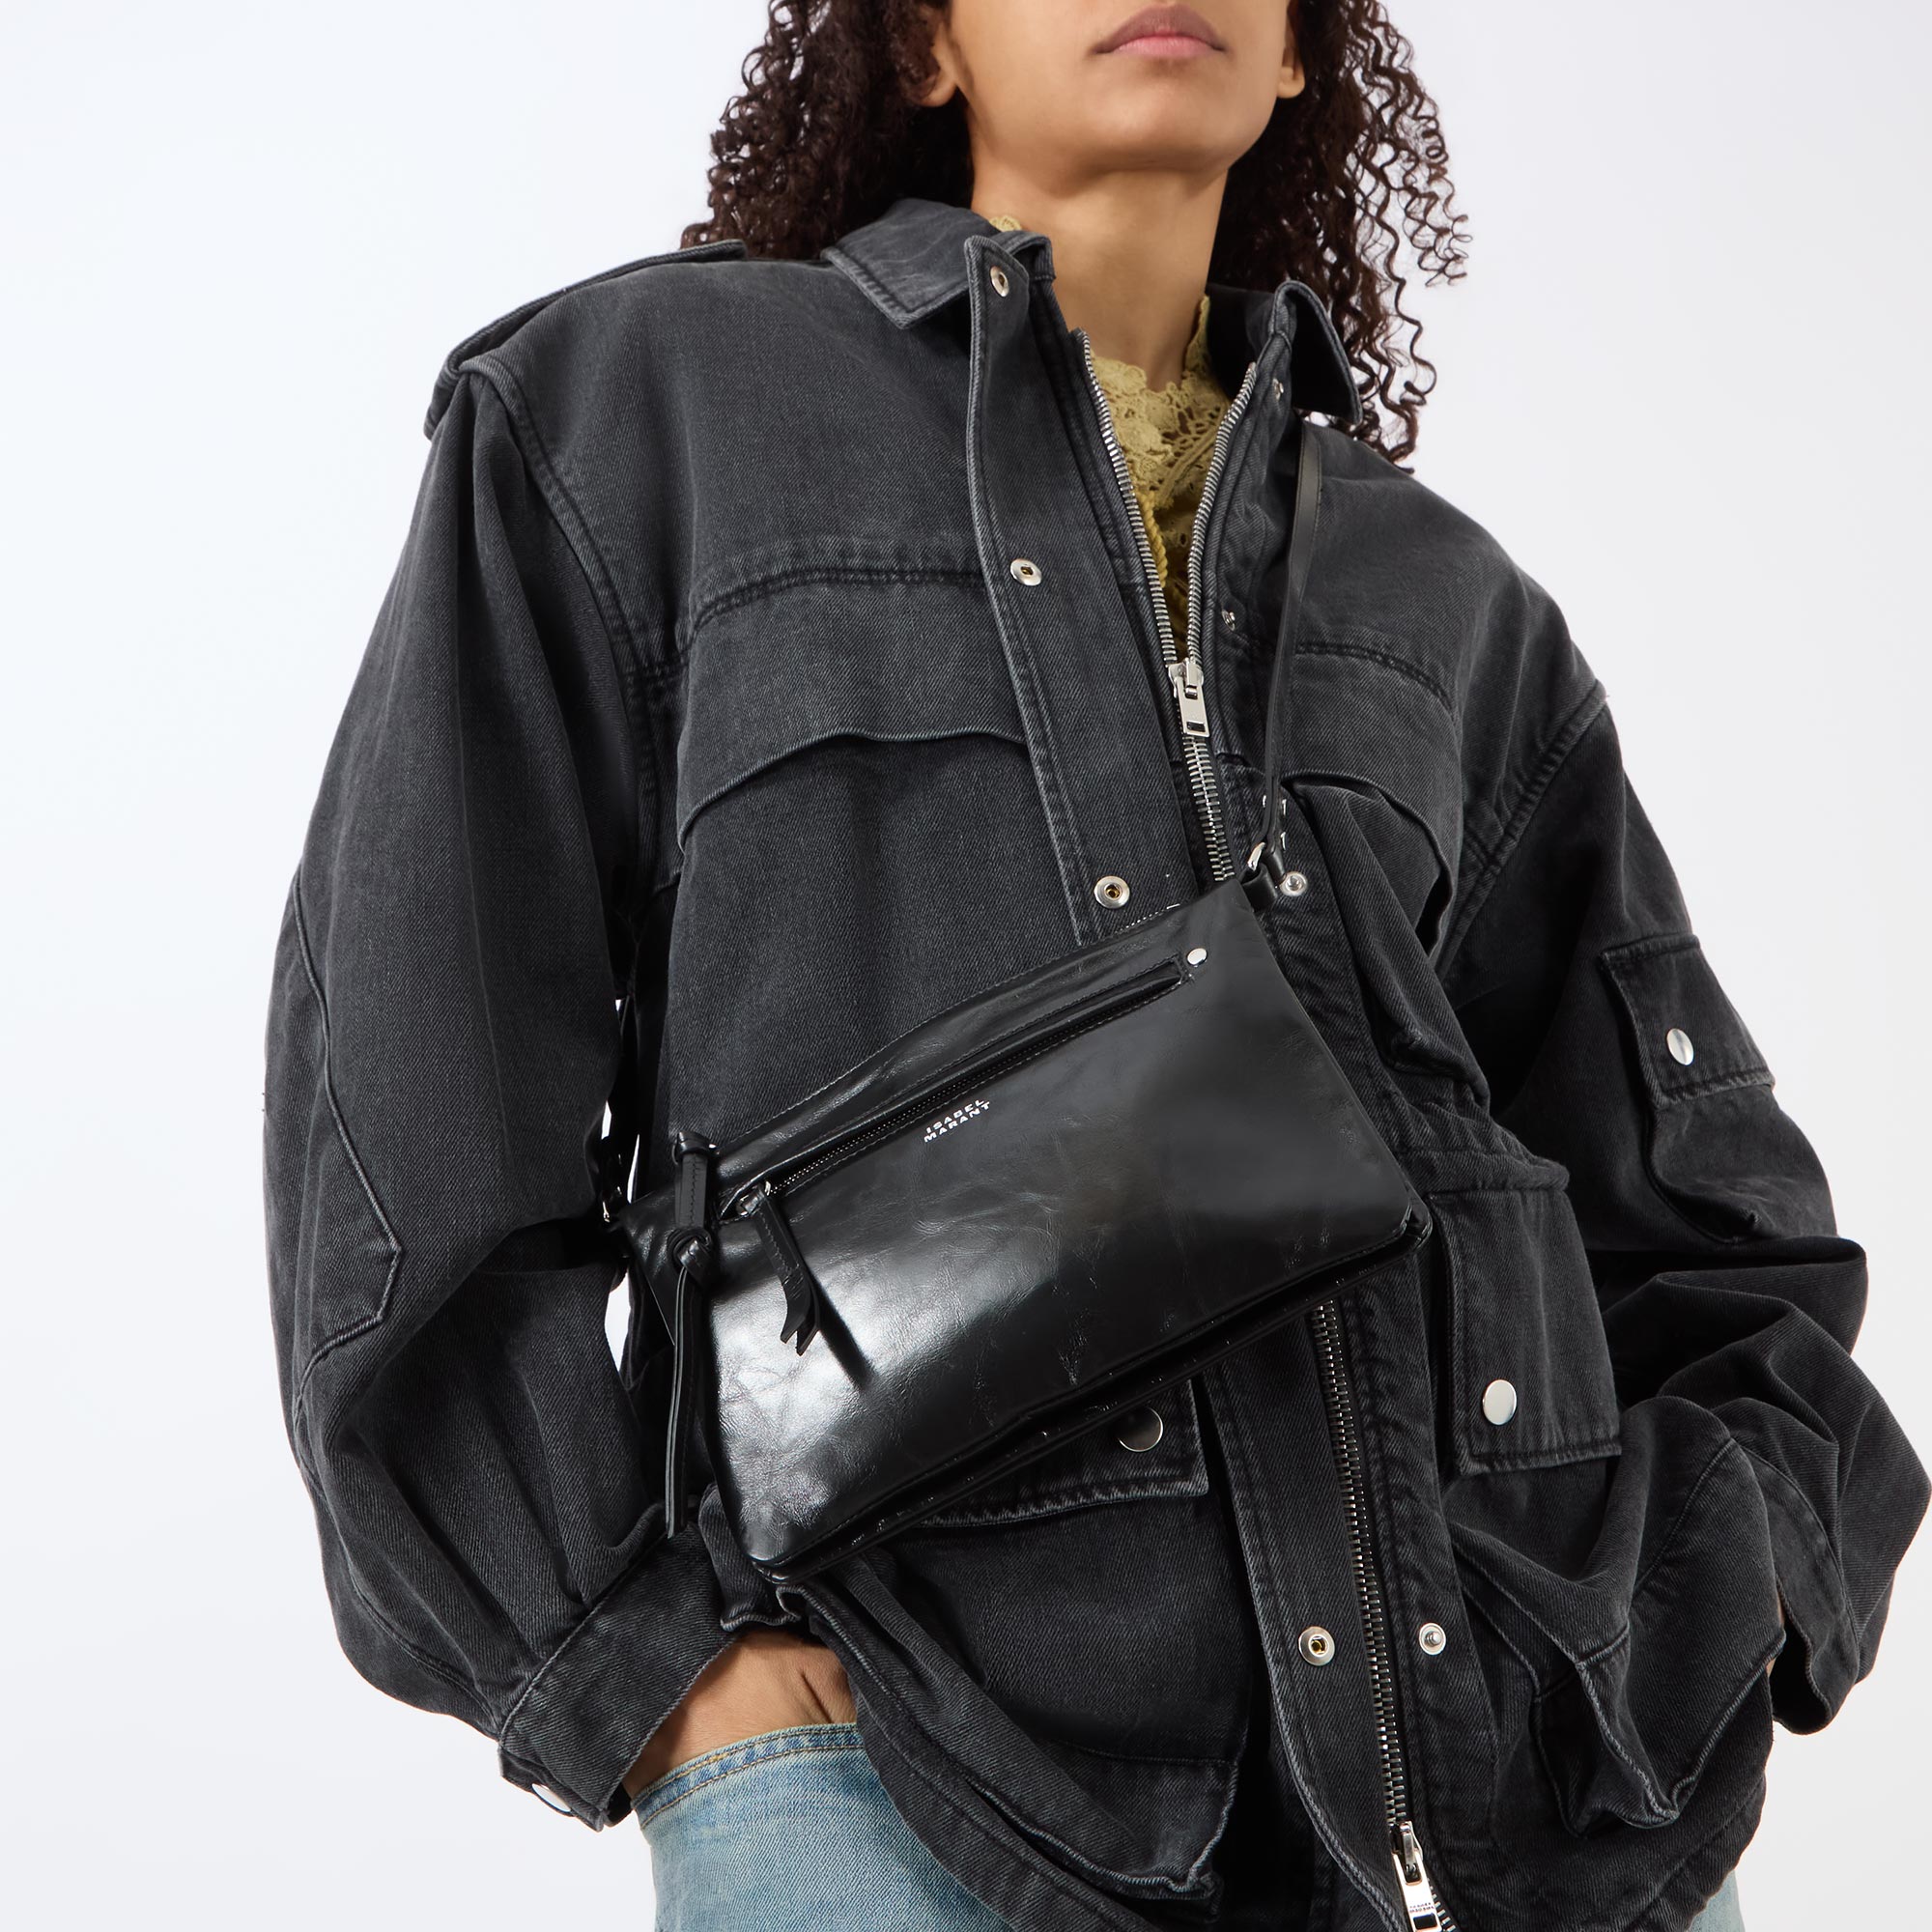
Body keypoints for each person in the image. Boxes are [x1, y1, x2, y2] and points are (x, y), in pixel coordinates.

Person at [260, 4, 1926, 1928]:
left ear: (1299, 59)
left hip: (1531, 1842)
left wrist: (1705, 1622)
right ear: (922, 47)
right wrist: (642, 1673)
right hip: (897, 1795)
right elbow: (404, 1115)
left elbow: (1718, 1241)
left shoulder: (1451, 605)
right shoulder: (639, 419)